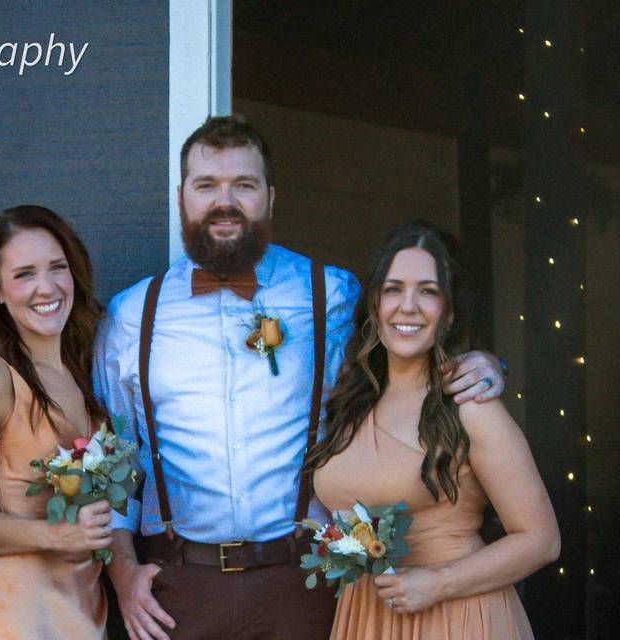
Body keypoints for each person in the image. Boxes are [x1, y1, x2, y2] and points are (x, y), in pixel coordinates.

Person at [94, 115, 508, 640]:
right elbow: (116, 466)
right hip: (178, 589)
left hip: (308, 583)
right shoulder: (133, 315)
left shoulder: (331, 295)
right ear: (182, 197)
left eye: (243, 185)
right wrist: (123, 573)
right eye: (207, 186)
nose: (225, 202)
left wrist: (488, 363)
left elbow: (411, 338)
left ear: (270, 197)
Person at [304, 221, 559, 639]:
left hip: (456, 616)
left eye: (428, 291)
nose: (408, 306)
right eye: (393, 289)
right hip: (368, 616)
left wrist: (439, 582)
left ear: (450, 310)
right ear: (374, 304)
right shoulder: (350, 400)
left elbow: (542, 540)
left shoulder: (470, 405)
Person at [0, 205, 110, 639]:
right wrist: (55, 535)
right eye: (25, 274)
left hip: (78, 606)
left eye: (57, 267)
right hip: (9, 613)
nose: (46, 287)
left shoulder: (80, 371)